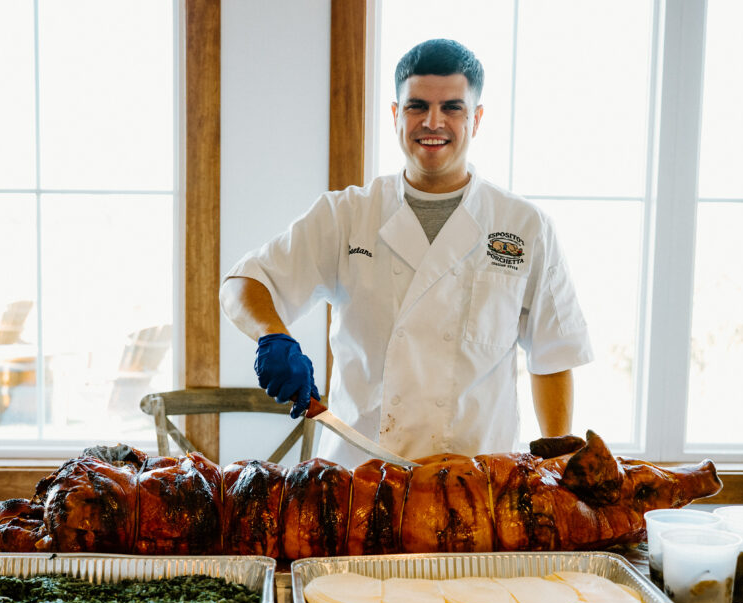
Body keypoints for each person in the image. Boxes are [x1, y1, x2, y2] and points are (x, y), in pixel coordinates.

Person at [219, 38, 593, 468]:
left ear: (477, 118)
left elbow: (553, 354)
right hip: (357, 479)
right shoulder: (347, 214)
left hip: (476, 490)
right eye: (417, 106)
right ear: (396, 115)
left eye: (452, 107)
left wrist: (558, 470)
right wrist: (273, 336)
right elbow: (242, 283)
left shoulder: (524, 226)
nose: (433, 122)